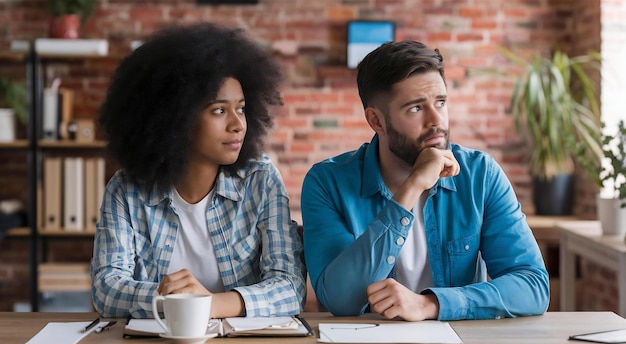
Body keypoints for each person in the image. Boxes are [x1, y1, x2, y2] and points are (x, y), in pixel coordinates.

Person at [301, 40, 549, 321]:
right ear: (377, 121)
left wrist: (432, 304)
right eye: (416, 108)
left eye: (440, 102)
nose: (436, 120)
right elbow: (341, 300)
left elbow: (533, 286)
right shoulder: (327, 183)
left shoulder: (480, 175)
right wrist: (412, 187)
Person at [91, 23, 306, 319]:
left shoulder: (261, 180)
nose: (238, 124)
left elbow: (290, 286)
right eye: (219, 110)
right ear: (174, 117)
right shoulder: (127, 190)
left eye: (241, 109)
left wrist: (208, 304)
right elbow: (105, 289)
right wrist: (170, 298)